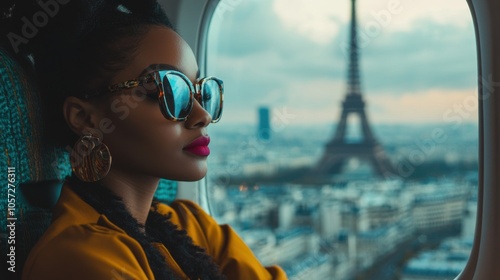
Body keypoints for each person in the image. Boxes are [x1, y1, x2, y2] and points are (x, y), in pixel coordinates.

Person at [1, 0, 287, 279]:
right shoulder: (79, 257)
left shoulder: (193, 225)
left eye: (200, 91)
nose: (202, 115)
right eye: (170, 90)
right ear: (85, 118)